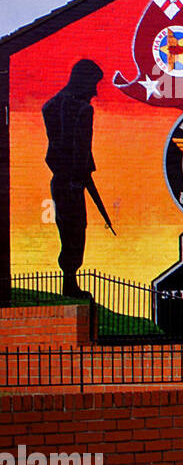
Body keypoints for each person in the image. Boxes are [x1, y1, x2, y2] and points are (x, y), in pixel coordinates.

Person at [42, 59, 103, 298]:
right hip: (72, 181)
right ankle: (70, 284)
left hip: (60, 180)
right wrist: (81, 174)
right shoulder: (82, 110)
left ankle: (69, 282)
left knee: (66, 228)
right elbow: (77, 147)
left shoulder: (52, 105)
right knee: (75, 230)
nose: (96, 91)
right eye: (94, 84)